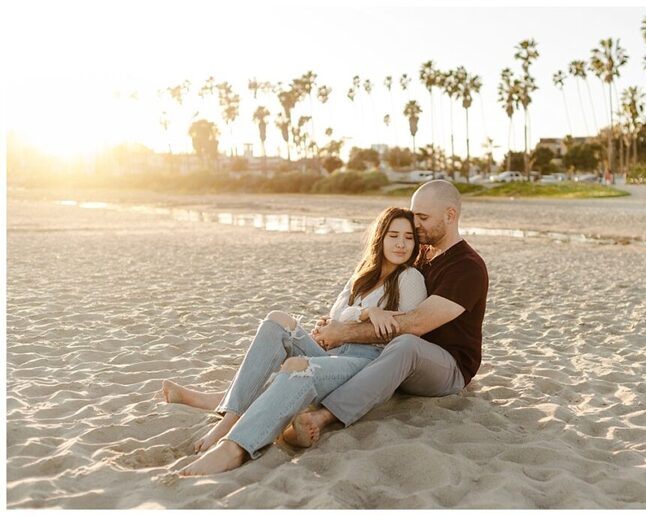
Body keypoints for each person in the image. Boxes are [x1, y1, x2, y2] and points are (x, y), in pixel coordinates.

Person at [163, 207, 427, 476]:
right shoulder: (363, 275)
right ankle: (230, 418)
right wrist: (366, 312)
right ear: (380, 238)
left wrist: (349, 323)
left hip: (366, 362)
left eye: (408, 238)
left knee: (299, 366)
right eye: (393, 235)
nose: (401, 244)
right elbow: (335, 316)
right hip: (335, 350)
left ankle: (234, 448)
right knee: (277, 321)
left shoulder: (410, 278)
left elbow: (403, 329)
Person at [282, 180, 488, 450]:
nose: (415, 225)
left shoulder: (467, 267)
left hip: (447, 367)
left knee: (407, 345)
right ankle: (261, 396)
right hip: (392, 357)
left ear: (450, 216)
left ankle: (323, 416)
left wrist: (343, 332)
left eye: (423, 218)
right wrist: (342, 321)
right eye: (414, 215)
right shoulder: (421, 252)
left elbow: (415, 324)